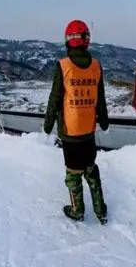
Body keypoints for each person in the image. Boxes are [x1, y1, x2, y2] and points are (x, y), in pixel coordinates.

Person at [44, 20, 109, 225]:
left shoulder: (63, 66)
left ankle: (77, 210)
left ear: (68, 40)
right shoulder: (96, 66)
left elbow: (55, 98)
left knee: (73, 173)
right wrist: (104, 120)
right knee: (90, 168)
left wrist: (48, 123)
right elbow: (101, 98)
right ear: (87, 40)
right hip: (89, 130)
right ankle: (100, 209)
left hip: (70, 131)